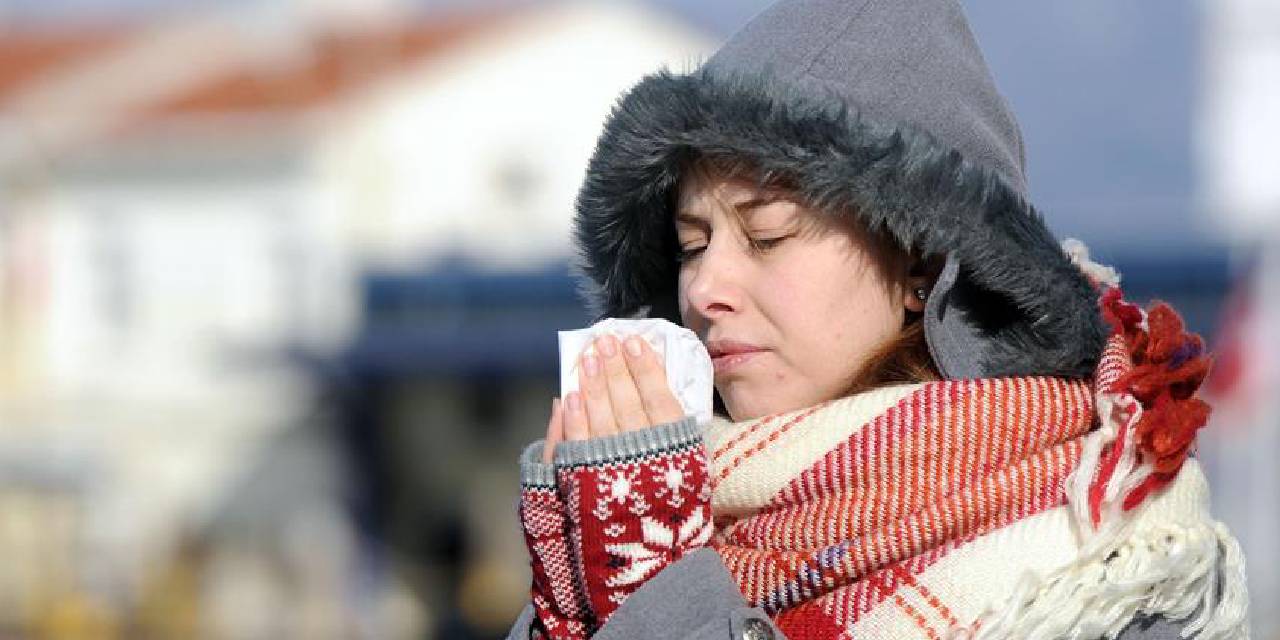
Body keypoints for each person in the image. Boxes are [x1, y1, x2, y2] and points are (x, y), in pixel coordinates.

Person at [508, 0, 1250, 638]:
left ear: (922, 263)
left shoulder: (1108, 560)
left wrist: (658, 594)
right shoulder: (654, 495)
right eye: (690, 245)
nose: (704, 288)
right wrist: (572, 603)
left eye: (767, 235)